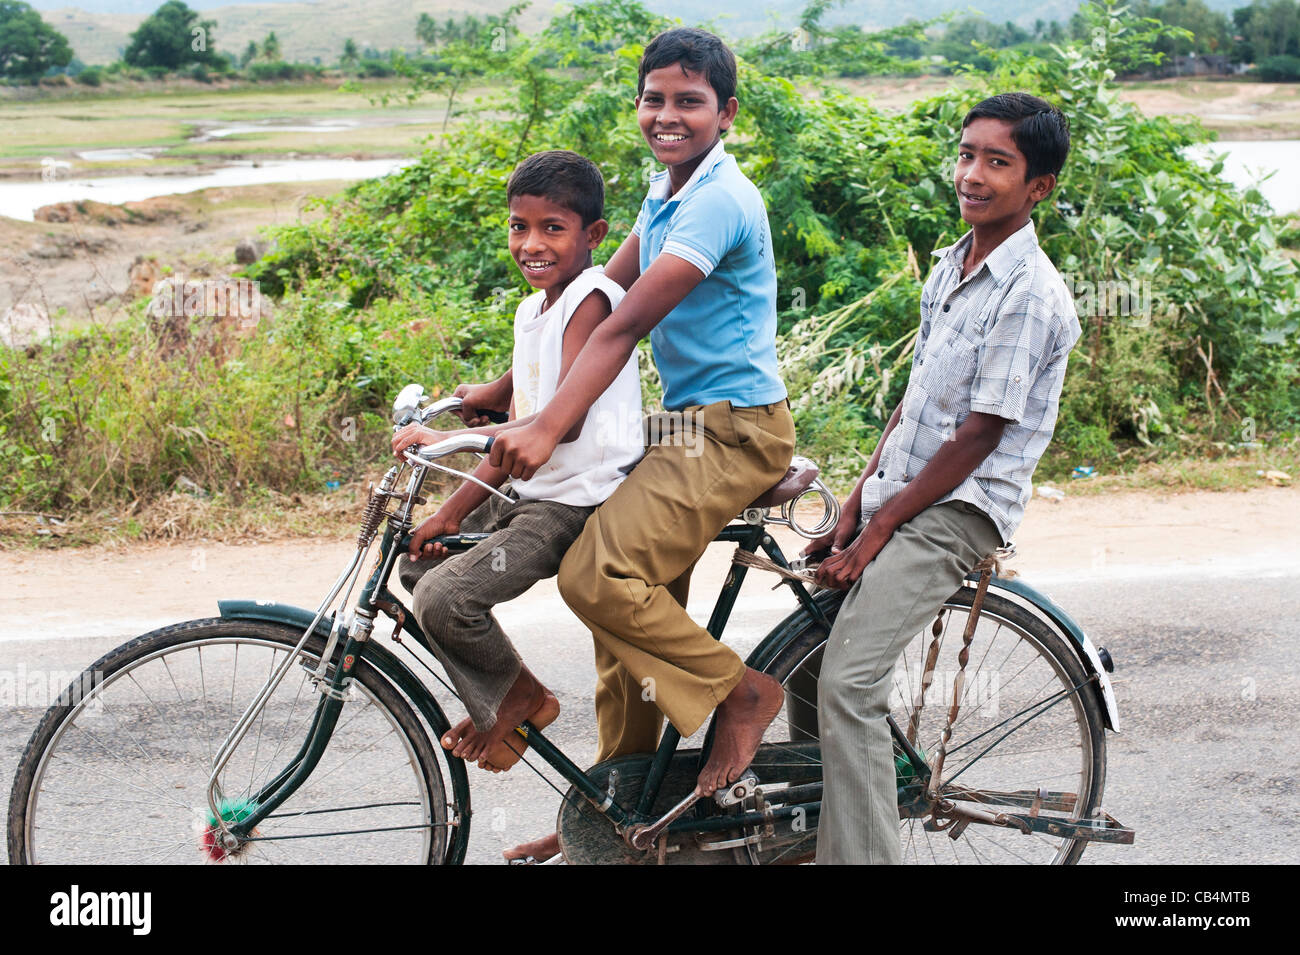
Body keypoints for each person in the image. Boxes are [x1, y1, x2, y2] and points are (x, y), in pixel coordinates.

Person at [489, 28, 795, 862]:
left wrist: (548, 422)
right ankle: (616, 804)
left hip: (734, 429)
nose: (668, 114)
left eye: (689, 101)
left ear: (725, 113)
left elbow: (624, 323)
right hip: (682, 427)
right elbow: (594, 293)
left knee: (598, 574)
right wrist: (498, 395)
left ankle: (742, 694)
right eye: (654, 98)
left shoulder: (719, 199)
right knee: (625, 640)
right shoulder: (665, 194)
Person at [805, 92, 1080, 864]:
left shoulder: (1030, 294)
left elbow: (980, 432)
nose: (974, 174)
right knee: (805, 662)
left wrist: (884, 527)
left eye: (999, 162)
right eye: (967, 155)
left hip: (960, 507)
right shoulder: (951, 266)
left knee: (850, 683)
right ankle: (813, 840)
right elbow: (914, 401)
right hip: (909, 492)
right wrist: (859, 499)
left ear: (1038, 188)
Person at [390, 149, 643, 774]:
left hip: (574, 502)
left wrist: (451, 467)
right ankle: (507, 699)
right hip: (535, 489)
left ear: (594, 236)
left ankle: (520, 701)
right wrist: (450, 512)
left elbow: (557, 424)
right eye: (518, 226)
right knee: (419, 567)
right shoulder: (533, 310)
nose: (532, 243)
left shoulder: (591, 298)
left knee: (447, 601)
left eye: (552, 228)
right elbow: (522, 411)